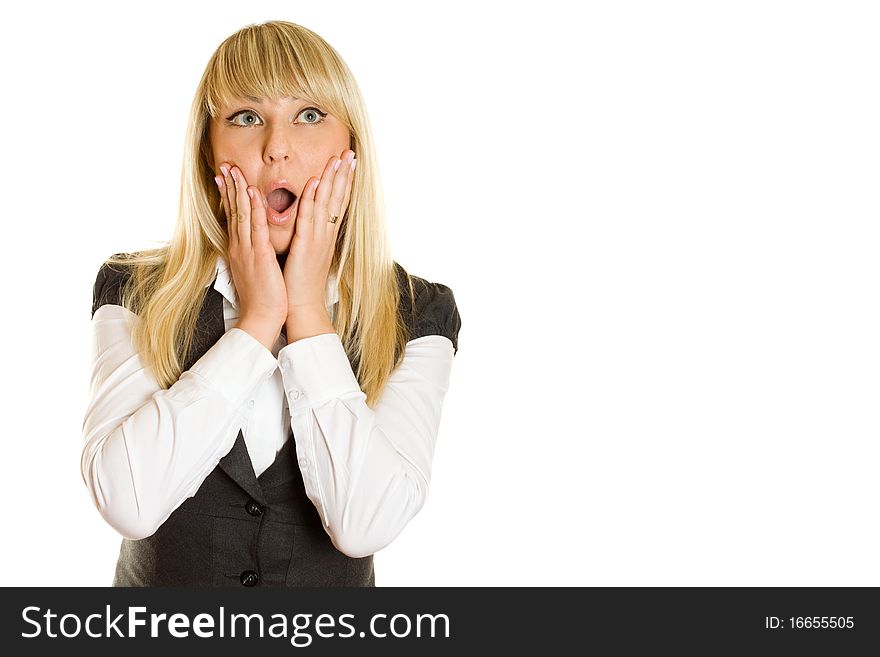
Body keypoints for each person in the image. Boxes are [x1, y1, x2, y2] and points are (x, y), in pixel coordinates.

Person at [81, 20, 462, 587]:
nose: (276, 149)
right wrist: (256, 325)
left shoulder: (418, 311)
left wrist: (307, 314)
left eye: (309, 115)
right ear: (209, 150)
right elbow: (128, 502)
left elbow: (365, 524)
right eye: (246, 117)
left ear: (350, 147)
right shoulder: (135, 289)